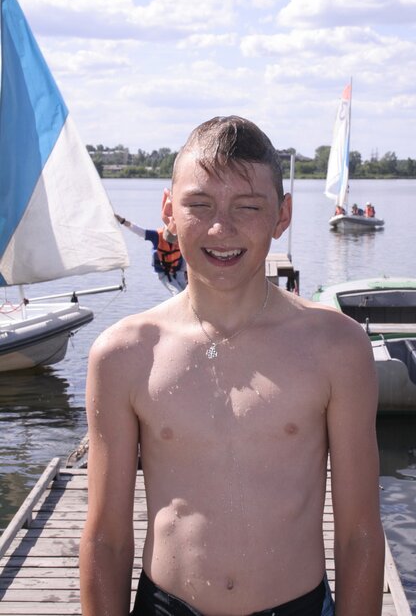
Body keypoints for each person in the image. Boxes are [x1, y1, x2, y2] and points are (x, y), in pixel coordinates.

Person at [80, 116, 384, 616]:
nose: (221, 228)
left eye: (248, 206)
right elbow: (106, 538)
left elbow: (359, 534)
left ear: (282, 215)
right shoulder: (124, 354)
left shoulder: (337, 347)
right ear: (169, 211)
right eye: (199, 205)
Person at [115, 211, 187, 296]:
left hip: (179, 271)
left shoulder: (182, 236)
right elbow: (138, 230)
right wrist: (123, 221)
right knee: (177, 293)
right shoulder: (156, 235)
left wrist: (187, 272)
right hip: (164, 273)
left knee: (188, 292)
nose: (174, 241)